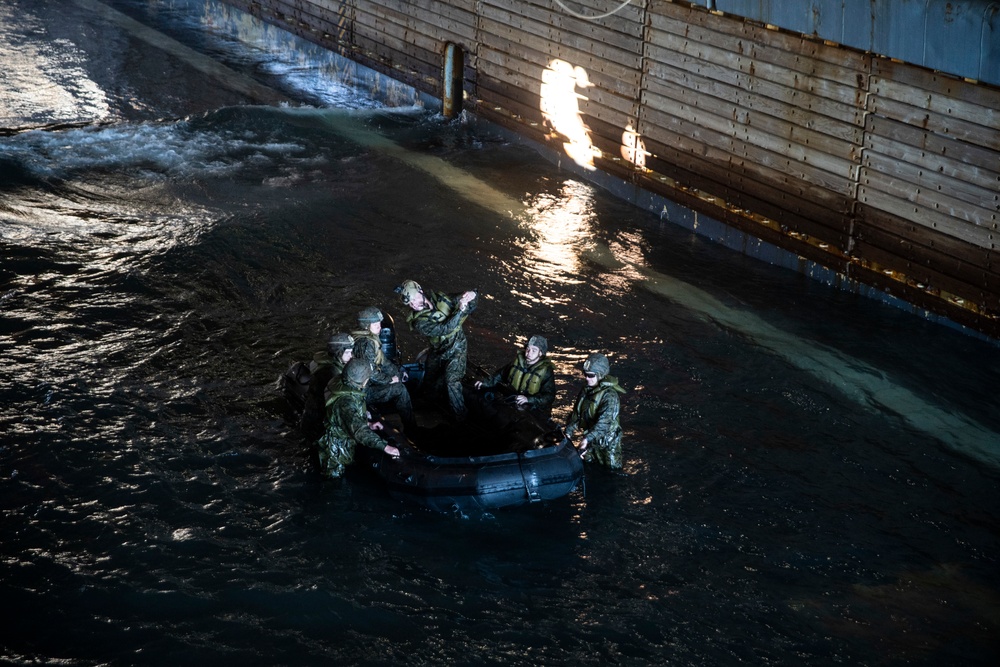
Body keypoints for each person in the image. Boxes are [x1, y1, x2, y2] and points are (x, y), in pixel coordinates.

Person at [396, 279, 477, 420]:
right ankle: (431, 406)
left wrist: (472, 295)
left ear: (420, 291)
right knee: (430, 377)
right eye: (410, 303)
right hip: (438, 349)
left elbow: (470, 302)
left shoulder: (441, 299)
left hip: (457, 347)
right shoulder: (419, 323)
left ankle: (460, 417)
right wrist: (460, 310)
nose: (414, 304)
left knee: (452, 381)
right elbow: (445, 328)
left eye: (414, 298)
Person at [318, 358, 400, 479]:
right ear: (363, 380)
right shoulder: (346, 402)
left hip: (341, 439)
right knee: (334, 482)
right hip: (335, 451)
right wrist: (385, 447)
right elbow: (359, 430)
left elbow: (348, 419)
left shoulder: (343, 385)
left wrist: (368, 424)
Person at [352, 306, 416, 433]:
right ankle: (411, 429)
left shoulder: (371, 339)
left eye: (379, 324)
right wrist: (390, 380)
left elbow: (384, 362)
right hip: (364, 392)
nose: (380, 327)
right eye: (376, 325)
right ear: (366, 326)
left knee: (399, 382)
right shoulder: (366, 345)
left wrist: (398, 373)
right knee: (400, 389)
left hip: (367, 385)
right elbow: (371, 373)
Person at [565, 353, 626, 470]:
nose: (586, 378)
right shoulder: (586, 390)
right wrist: (568, 432)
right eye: (585, 374)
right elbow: (577, 415)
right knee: (588, 468)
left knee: (612, 472)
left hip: (608, 444)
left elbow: (604, 423)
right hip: (590, 440)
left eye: (590, 375)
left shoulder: (610, 396)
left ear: (600, 375)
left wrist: (586, 439)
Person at [475, 334, 556, 417]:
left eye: (534, 350)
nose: (529, 353)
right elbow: (500, 375)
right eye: (528, 349)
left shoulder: (546, 371)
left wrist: (529, 399)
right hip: (515, 401)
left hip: (534, 407)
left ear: (540, 353)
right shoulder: (517, 362)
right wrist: (485, 383)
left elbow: (549, 396)